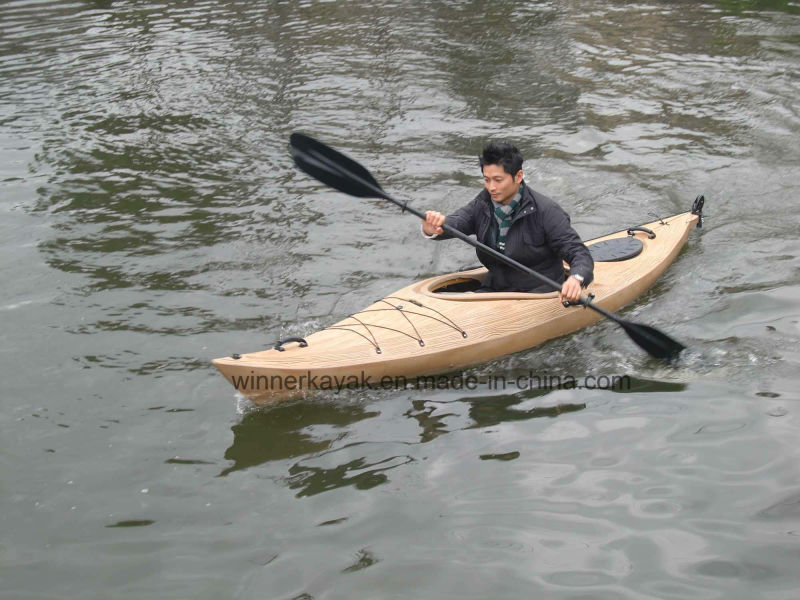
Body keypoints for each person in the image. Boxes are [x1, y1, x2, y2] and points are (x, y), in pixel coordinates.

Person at [421, 141, 593, 303]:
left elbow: (579, 254)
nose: (491, 188)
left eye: (498, 180)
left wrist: (576, 279)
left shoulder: (547, 211)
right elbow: (456, 222)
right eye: (486, 179)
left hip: (539, 293)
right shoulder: (482, 203)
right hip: (496, 287)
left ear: (518, 176)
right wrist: (432, 228)